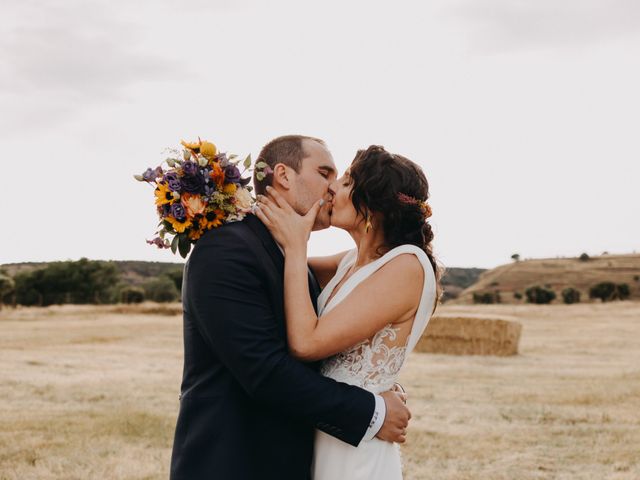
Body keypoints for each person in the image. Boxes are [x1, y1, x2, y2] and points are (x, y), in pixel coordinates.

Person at [169, 136, 411, 480]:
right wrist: (373, 411)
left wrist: (379, 382)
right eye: (325, 173)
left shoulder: (292, 259)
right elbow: (266, 372)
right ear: (283, 175)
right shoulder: (226, 250)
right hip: (233, 463)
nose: (334, 189)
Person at [254, 144, 440, 479]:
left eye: (347, 181)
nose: (333, 188)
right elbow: (271, 268)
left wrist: (297, 245)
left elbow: (306, 344)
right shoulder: (349, 262)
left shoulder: (407, 266)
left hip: (357, 451)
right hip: (328, 430)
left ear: (372, 204)